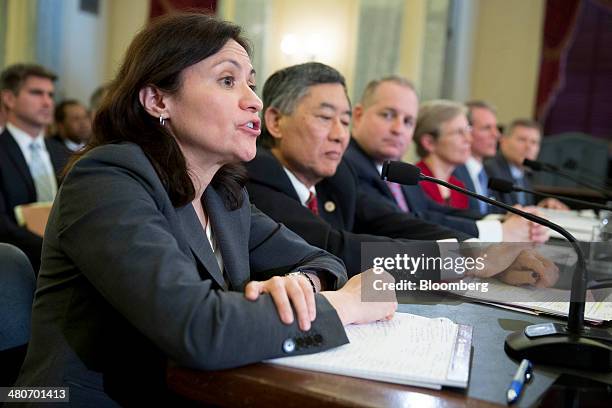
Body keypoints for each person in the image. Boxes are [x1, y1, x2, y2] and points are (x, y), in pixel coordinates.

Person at [15, 14, 397, 406]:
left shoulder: (222, 195)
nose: (254, 100)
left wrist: (301, 285)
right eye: (228, 81)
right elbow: (198, 328)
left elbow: (324, 260)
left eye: (250, 82)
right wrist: (344, 304)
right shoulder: (106, 179)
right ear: (158, 100)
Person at [247, 62, 475, 276]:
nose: (339, 135)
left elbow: (391, 222)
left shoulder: (338, 174)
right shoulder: (257, 173)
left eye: (345, 122)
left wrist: (474, 249)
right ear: (276, 122)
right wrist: (444, 261)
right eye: (325, 118)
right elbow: (331, 247)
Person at [347, 76, 547, 243]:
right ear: (358, 115)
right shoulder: (348, 165)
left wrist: (501, 218)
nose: (398, 129)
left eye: (408, 121)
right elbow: (399, 223)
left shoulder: (396, 169)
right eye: (388, 115)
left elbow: (433, 212)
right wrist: (498, 233)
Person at [0, 63, 71, 271]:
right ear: (9, 99)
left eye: (50, 95)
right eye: (36, 93)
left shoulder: (63, 152)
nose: (47, 102)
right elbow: (2, 225)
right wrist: (56, 251)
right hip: (15, 268)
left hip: (64, 270)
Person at [485, 119, 569, 209]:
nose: (528, 147)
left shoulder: (525, 176)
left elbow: (521, 210)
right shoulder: (490, 170)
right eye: (522, 140)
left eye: (534, 142)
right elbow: (494, 212)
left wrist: (541, 207)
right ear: (503, 141)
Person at [413, 100, 474, 210]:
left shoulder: (459, 188)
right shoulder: (414, 182)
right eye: (459, 132)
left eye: (468, 130)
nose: (469, 139)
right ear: (429, 142)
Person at [452, 100, 501, 214]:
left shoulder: (488, 172)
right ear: (466, 130)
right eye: (487, 128)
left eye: (496, 127)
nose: (496, 134)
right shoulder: (453, 171)